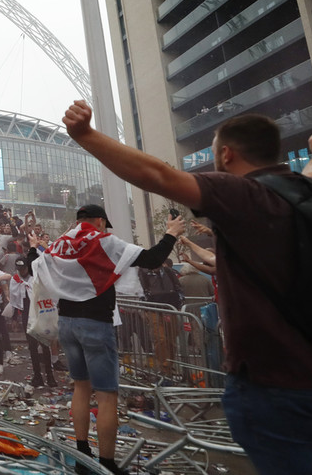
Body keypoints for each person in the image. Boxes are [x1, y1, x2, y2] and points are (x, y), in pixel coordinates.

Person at [61, 101, 312, 474]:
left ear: (225, 153)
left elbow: (156, 174)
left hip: (276, 386)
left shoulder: (241, 194)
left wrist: (85, 135)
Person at [32, 203, 184, 475]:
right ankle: (106, 464)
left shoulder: (60, 244)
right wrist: (170, 233)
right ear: (100, 222)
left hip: (67, 323)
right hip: (95, 324)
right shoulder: (104, 241)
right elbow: (151, 259)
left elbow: (37, 264)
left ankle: (82, 457)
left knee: (80, 387)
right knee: (106, 396)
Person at [8, 257, 57, 387]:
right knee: (32, 346)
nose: (22, 272)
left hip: (40, 314)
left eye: (23, 269)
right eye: (19, 269)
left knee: (45, 345)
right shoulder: (15, 280)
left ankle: (50, 376)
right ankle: (37, 375)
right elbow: (15, 300)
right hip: (26, 315)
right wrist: (14, 318)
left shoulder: (36, 278)